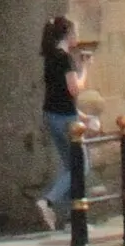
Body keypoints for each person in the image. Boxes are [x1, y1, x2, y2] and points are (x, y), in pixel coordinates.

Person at [36, 14, 89, 229]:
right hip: (66, 119)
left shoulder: (50, 57)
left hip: (52, 115)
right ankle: (48, 200)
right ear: (67, 34)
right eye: (75, 32)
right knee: (81, 166)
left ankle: (72, 219)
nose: (77, 36)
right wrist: (85, 69)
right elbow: (74, 88)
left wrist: (83, 116)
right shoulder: (64, 58)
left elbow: (58, 93)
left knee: (70, 166)